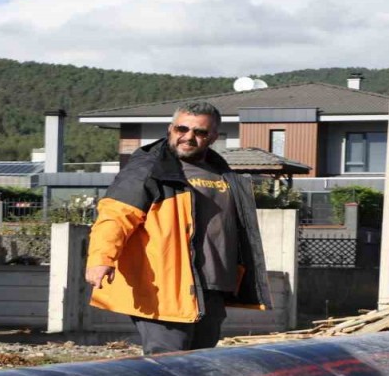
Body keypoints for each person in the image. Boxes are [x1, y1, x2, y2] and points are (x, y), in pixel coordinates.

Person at [84, 101, 271, 354]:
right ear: (171, 129)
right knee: (167, 362)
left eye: (200, 132)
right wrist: (101, 257)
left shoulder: (223, 174)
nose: (188, 137)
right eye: (182, 129)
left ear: (214, 136)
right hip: (165, 286)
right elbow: (116, 215)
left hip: (212, 287)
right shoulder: (151, 168)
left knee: (199, 364)